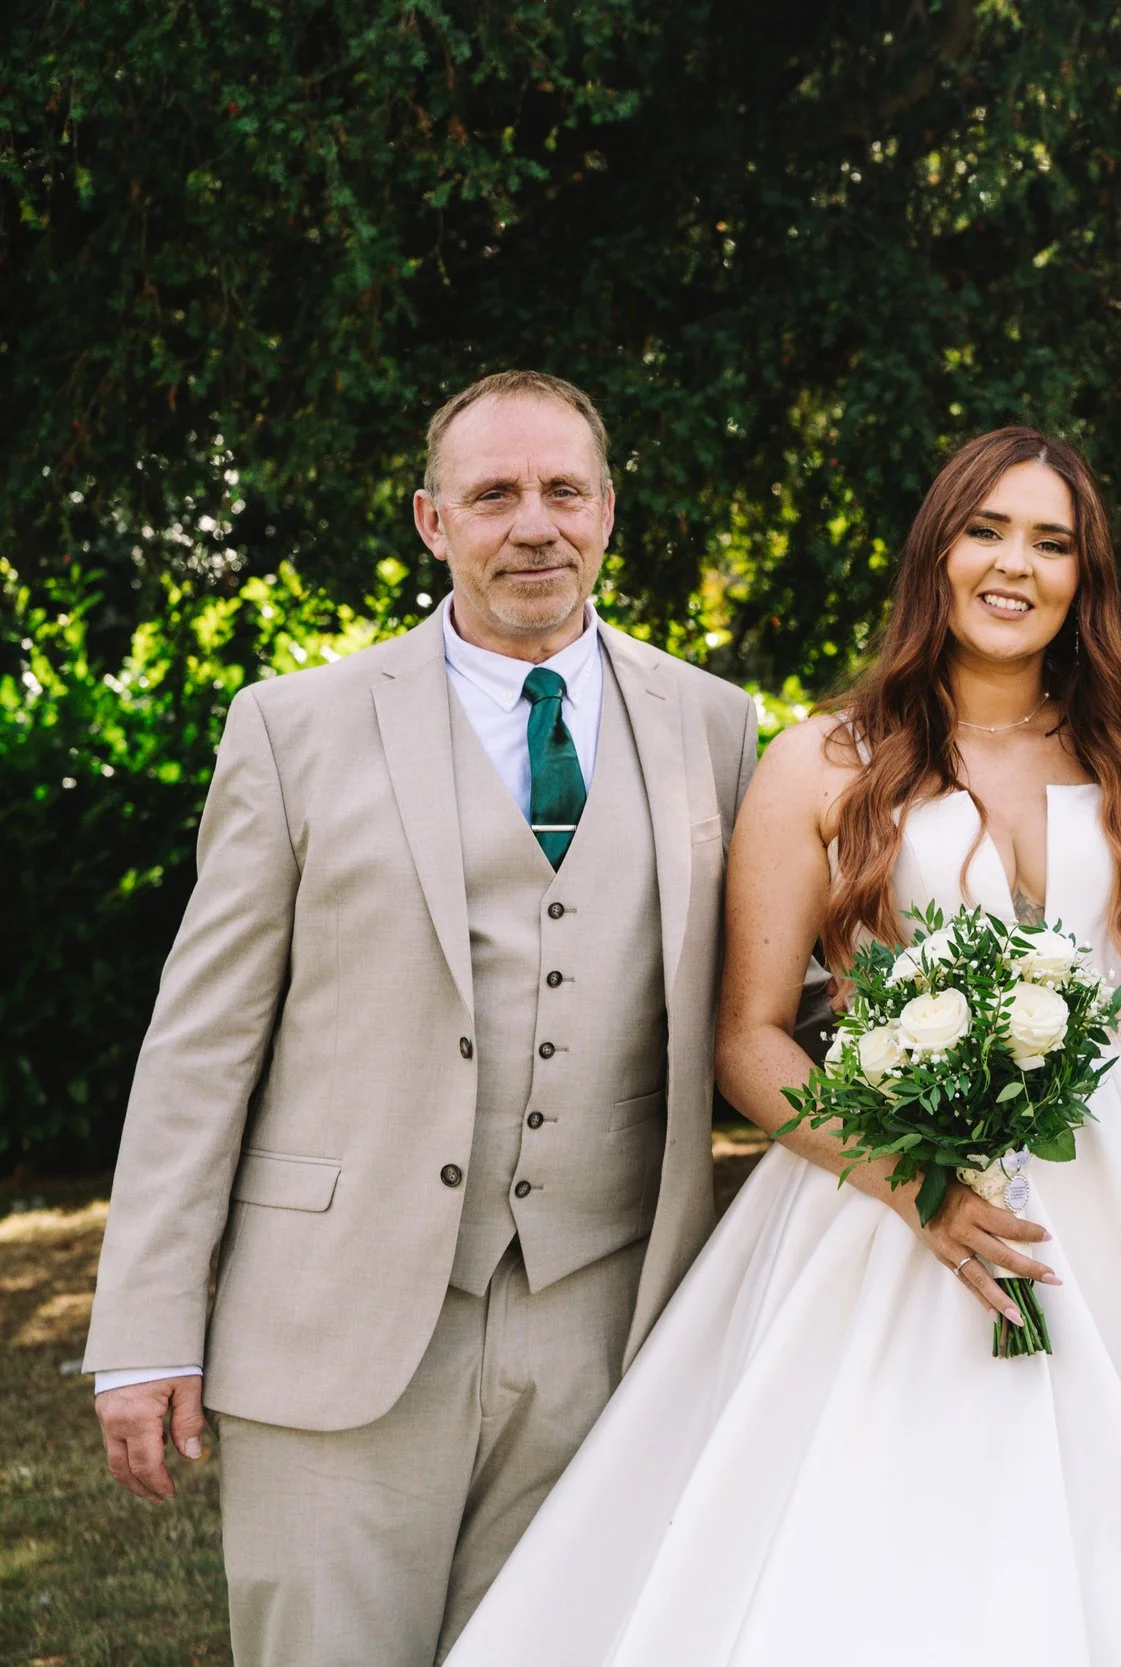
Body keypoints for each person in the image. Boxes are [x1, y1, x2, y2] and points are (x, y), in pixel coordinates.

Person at [442, 427, 1121, 1667]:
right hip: (894, 1185)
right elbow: (748, 1039)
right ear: (936, 554)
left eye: (1052, 542)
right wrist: (918, 1186)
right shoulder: (823, 760)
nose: (1015, 564)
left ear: (1084, 577)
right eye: (986, 530)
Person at [83, 370, 775, 1664]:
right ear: (431, 519)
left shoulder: (715, 725)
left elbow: (772, 989)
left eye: (563, 490)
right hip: (332, 1319)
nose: (535, 524)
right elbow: (200, 1047)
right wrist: (142, 1328)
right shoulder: (293, 728)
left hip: (605, 1326)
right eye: (494, 493)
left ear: (608, 508)